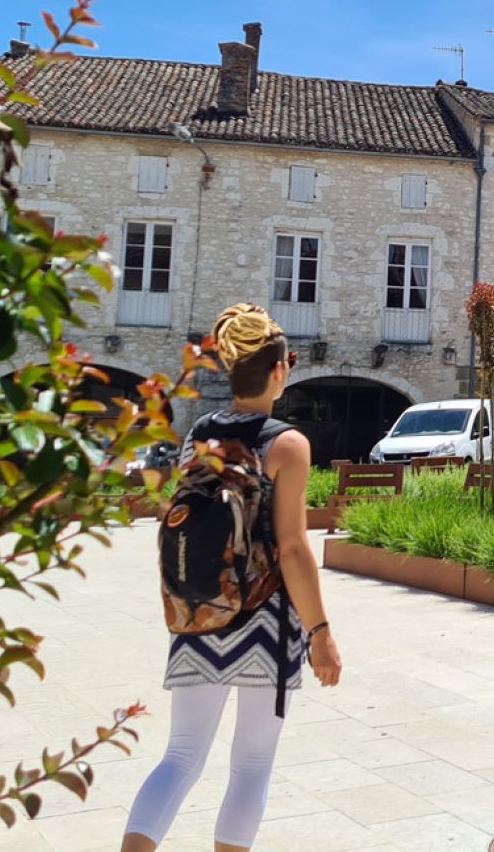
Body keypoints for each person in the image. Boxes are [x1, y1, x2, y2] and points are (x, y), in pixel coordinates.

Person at [121, 304, 342, 851]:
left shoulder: (201, 433)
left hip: (197, 611)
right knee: (251, 765)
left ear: (227, 369)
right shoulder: (286, 444)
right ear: (280, 370)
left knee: (180, 757)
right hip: (265, 623)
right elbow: (292, 547)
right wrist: (320, 634)